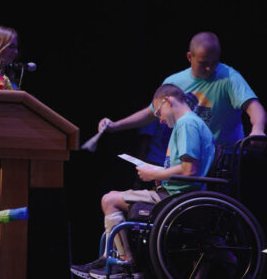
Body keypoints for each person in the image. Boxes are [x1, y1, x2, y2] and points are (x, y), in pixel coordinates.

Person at [70, 84, 216, 279]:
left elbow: (190, 170)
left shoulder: (186, 124)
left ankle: (126, 263)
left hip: (177, 198)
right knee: (113, 195)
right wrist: (155, 170)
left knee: (109, 200)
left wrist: (155, 174)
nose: (160, 120)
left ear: (168, 101)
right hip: (175, 194)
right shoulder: (190, 123)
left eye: (158, 113)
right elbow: (186, 168)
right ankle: (109, 256)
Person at [99, 31, 266, 152]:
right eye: (203, 62)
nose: (209, 68)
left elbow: (254, 106)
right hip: (191, 154)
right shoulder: (174, 82)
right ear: (189, 57)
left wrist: (257, 129)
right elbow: (151, 113)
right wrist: (115, 126)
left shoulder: (229, 77)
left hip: (223, 158)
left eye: (214, 62)